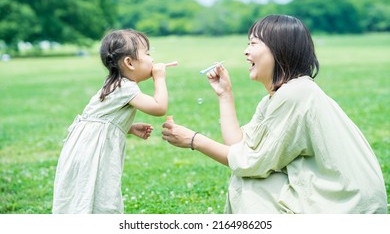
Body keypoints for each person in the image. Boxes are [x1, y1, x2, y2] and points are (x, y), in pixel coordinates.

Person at [162, 15, 388, 213]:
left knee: (249, 184)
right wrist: (225, 95)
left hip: (347, 207)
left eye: (253, 43)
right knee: (250, 178)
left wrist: (194, 140)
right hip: (339, 200)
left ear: (280, 51)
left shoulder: (297, 94)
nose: (246, 51)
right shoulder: (280, 96)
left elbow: (249, 164)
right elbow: (239, 146)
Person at [53, 29, 168, 214]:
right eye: (147, 54)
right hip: (93, 152)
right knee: (100, 192)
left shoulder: (113, 83)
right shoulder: (126, 87)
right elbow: (159, 107)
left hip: (83, 147)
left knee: (83, 192)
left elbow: (99, 119)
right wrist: (160, 79)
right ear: (129, 62)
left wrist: (128, 127)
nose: (152, 59)